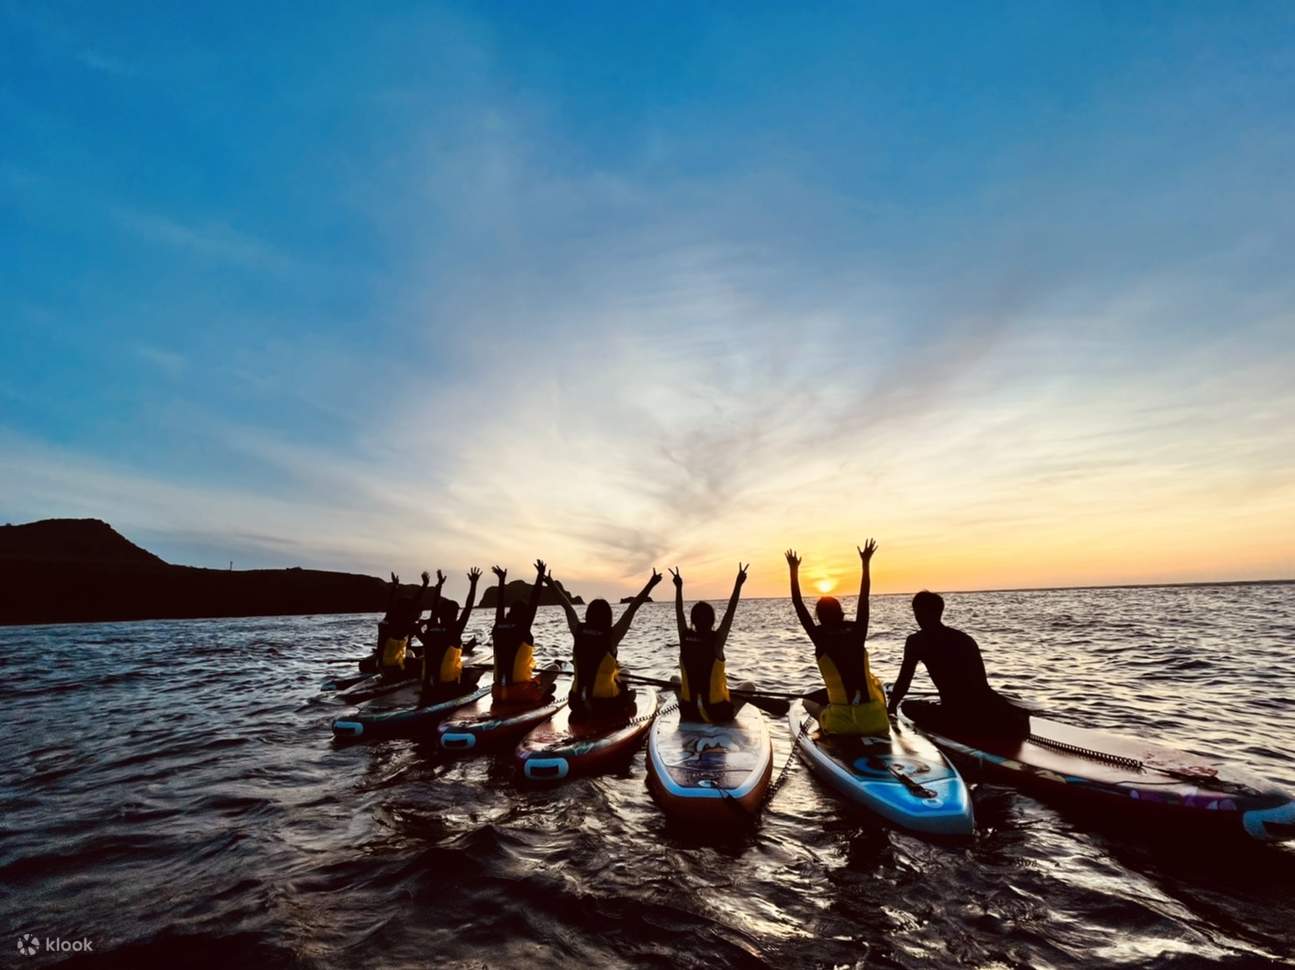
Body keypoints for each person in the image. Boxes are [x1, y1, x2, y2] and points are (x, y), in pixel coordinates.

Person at [887, 590, 1029, 740]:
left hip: (955, 712)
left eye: (917, 612)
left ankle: (967, 725)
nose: (917, 617)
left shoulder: (916, 641)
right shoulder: (965, 639)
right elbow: (981, 684)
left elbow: (904, 680)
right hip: (984, 705)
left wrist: (891, 708)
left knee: (907, 707)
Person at [786, 541, 889, 736]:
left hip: (842, 724)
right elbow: (864, 598)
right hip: (876, 720)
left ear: (819, 617)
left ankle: (826, 723)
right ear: (840, 612)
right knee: (876, 684)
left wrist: (793, 570)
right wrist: (865, 563)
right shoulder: (858, 631)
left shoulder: (819, 636)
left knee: (807, 701)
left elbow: (798, 603)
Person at [547, 567, 662, 720]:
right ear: (608, 617)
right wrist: (651, 584)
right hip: (604, 705)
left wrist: (550, 582)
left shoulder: (578, 631)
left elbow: (566, 606)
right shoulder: (612, 636)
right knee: (625, 677)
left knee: (616, 676)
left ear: (588, 615)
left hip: (575, 702)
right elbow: (632, 608)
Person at [669, 564, 754, 723]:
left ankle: (691, 702)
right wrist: (738, 584)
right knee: (749, 686)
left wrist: (678, 588)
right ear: (713, 620)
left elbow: (679, 612)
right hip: (717, 714)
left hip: (689, 712)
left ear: (692, 620)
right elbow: (730, 611)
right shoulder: (717, 641)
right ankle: (725, 700)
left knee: (674, 679)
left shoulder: (684, 637)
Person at [490, 560, 558, 705]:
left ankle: (541, 689)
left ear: (509, 613)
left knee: (532, 678)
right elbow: (534, 601)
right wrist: (540, 575)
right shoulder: (523, 627)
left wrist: (501, 581)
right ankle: (542, 691)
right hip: (521, 694)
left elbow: (499, 605)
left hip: (496, 692)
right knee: (554, 668)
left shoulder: (498, 626)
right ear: (524, 615)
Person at [416, 567, 482, 698]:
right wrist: (473, 584)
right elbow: (468, 607)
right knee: (473, 674)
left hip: (427, 687)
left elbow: (434, 607)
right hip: (448, 687)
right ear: (455, 615)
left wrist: (439, 585)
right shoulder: (455, 629)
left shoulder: (431, 628)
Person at [375, 570, 430, 678]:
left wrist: (395, 587)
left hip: (384, 666)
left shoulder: (389, 620)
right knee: (426, 660)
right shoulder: (407, 626)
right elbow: (413, 603)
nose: (418, 615)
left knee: (410, 654)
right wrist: (424, 585)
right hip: (395, 668)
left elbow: (390, 604)